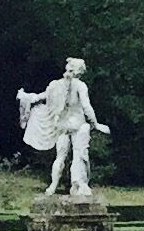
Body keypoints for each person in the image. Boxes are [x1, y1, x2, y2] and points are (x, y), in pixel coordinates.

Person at [18, 57, 110, 197]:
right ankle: (78, 184)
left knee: (60, 157)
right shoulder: (80, 86)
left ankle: (53, 186)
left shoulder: (56, 85)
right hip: (78, 126)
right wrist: (96, 124)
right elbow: (87, 107)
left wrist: (26, 97)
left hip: (62, 126)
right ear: (79, 72)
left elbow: (40, 97)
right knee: (78, 156)